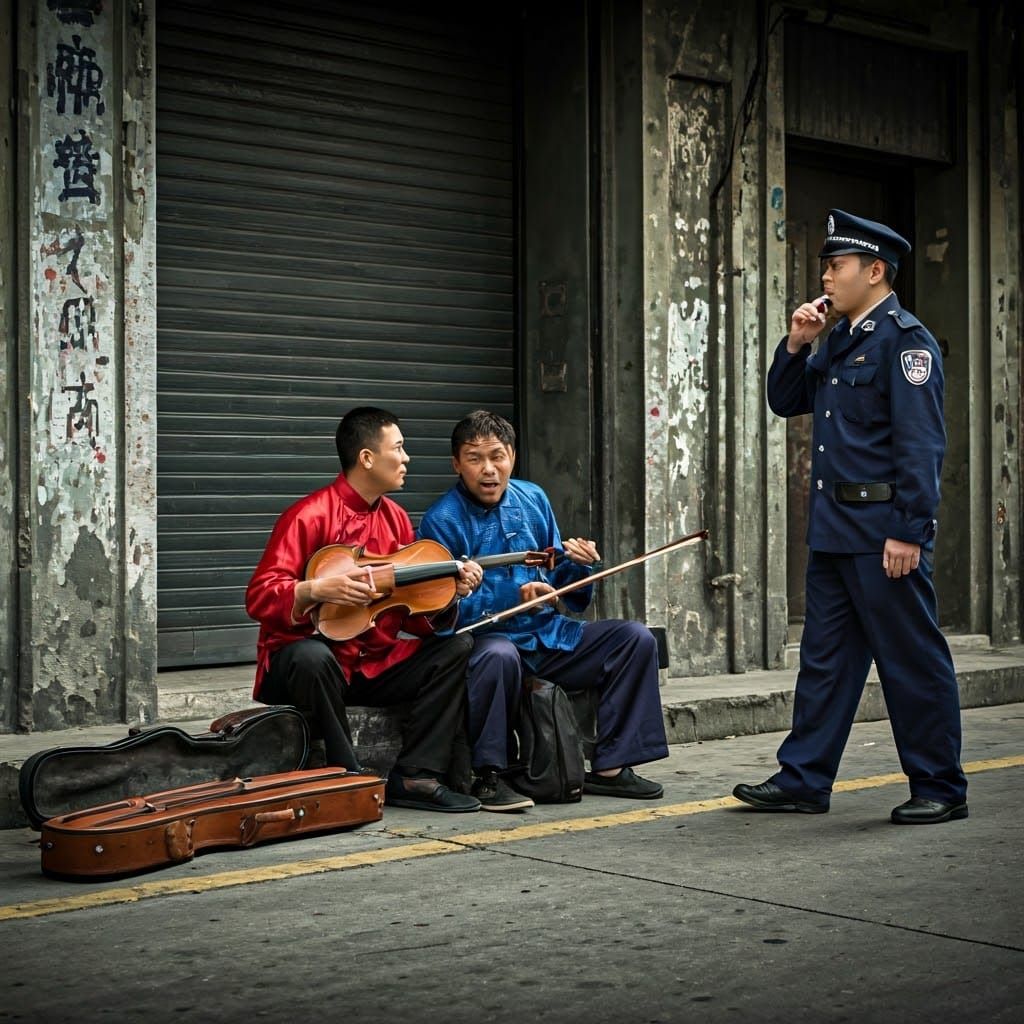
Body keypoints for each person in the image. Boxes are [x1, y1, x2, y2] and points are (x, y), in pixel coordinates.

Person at [733, 209, 968, 824]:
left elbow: (921, 445)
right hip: (835, 531)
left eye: (836, 265)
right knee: (826, 663)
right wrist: (797, 342)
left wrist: (909, 531)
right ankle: (803, 780)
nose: (826, 277)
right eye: (827, 267)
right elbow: (785, 399)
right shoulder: (839, 338)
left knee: (910, 660)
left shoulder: (906, 343)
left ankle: (940, 786)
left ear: (876, 271)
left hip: (883, 533)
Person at [418, 409, 669, 813]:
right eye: (474, 458)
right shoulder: (441, 520)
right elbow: (442, 615)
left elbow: (562, 580)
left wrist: (579, 567)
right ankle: (489, 776)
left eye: (497, 456)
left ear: (512, 457)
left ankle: (611, 767)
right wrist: (509, 598)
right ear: (456, 464)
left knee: (634, 639)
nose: (488, 469)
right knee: (498, 654)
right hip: (492, 647)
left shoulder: (533, 498)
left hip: (547, 635)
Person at [246, 407, 484, 813]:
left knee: (455, 648)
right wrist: (314, 589)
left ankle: (416, 775)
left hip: (371, 663)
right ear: (367, 458)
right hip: (308, 668)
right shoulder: (307, 516)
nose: (406, 458)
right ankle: (347, 778)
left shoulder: (396, 519)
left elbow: (409, 613)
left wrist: (450, 594)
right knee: (312, 656)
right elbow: (259, 596)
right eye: (399, 448)